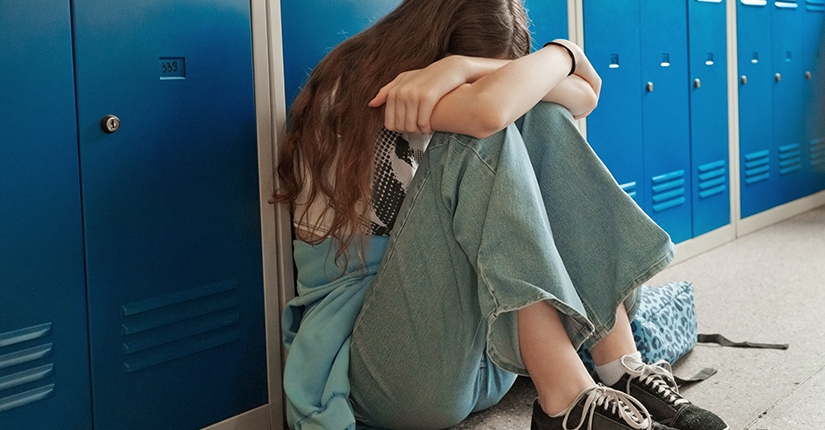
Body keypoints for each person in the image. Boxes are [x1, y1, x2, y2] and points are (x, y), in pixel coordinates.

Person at [272, 1, 729, 429]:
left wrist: (470, 66)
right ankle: (569, 401)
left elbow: (583, 97)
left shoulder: (453, 83)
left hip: (490, 357)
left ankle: (620, 368)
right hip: (385, 372)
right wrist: (560, 55)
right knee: (487, 129)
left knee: (542, 113)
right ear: (425, 51)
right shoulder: (362, 90)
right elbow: (492, 112)